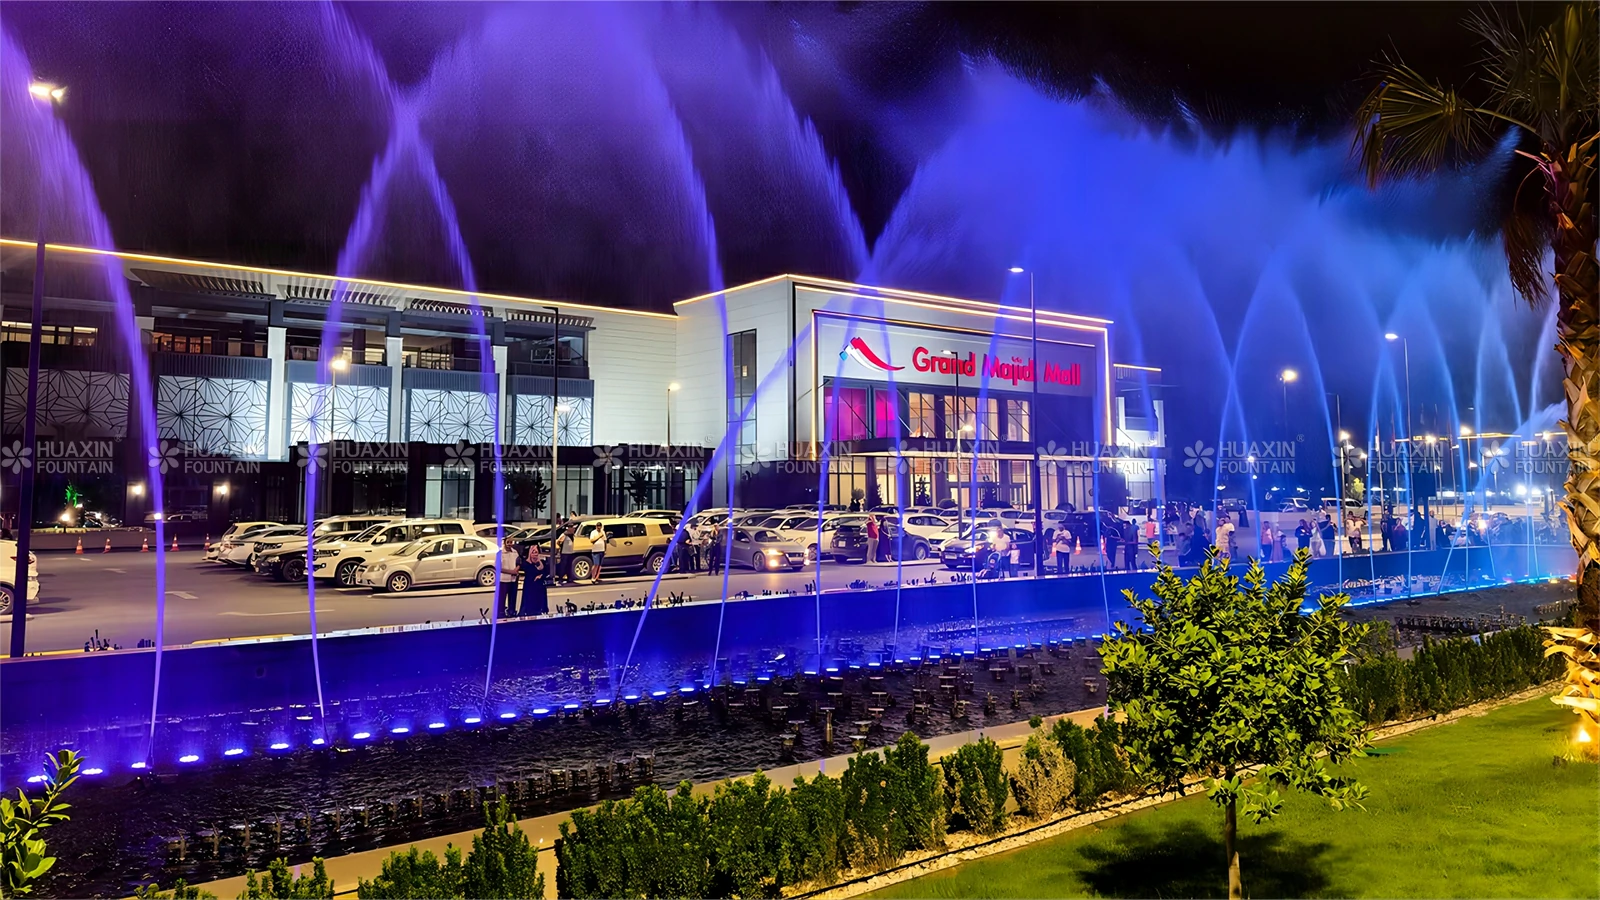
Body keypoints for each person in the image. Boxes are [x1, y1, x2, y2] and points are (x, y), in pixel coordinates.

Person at [518, 544, 549, 617]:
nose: (535, 554)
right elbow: (530, 573)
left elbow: (545, 572)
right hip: (530, 586)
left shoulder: (542, 562)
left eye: (536, 552)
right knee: (530, 606)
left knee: (540, 605)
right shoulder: (526, 563)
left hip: (540, 586)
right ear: (530, 553)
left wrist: (541, 575)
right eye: (533, 552)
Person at [498, 537, 520, 618]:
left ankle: (511, 611)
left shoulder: (515, 552)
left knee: (513, 597)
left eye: (511, 542)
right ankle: (500, 614)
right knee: (502, 598)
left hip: (513, 579)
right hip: (503, 579)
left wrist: (516, 570)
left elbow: (519, 562)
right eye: (508, 542)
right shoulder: (500, 553)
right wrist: (511, 572)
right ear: (504, 543)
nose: (510, 544)